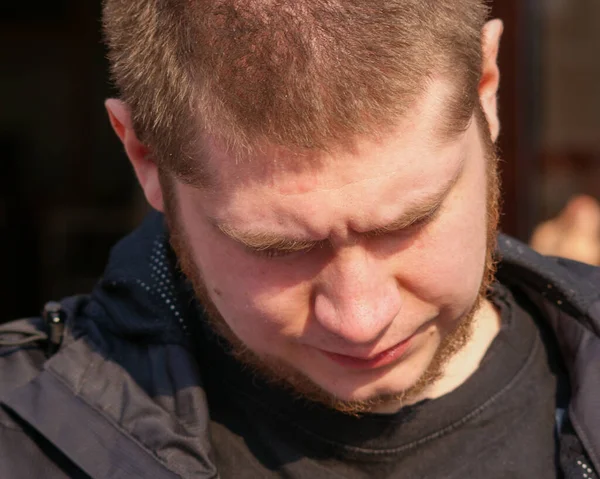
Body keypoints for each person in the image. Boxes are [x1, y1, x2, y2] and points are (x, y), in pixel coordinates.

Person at [1, 1, 598, 477]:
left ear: (486, 86)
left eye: (407, 223)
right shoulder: (24, 442)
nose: (360, 319)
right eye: (277, 248)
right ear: (145, 158)